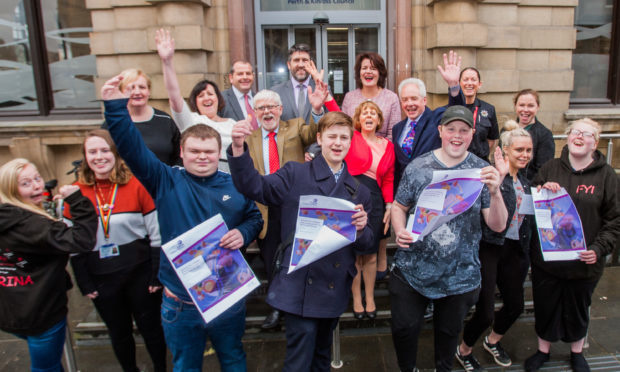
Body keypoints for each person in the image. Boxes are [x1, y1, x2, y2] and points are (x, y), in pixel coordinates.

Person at [100, 74, 263, 372]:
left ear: (219, 153)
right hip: (181, 301)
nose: (202, 157)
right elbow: (131, 146)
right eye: (195, 152)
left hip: (226, 295)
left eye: (208, 152)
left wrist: (243, 232)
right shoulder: (165, 179)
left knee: (234, 358)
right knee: (186, 366)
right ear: (181, 153)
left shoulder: (235, 184)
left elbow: (254, 217)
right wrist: (114, 108)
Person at [228, 111, 373, 372]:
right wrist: (239, 150)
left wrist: (361, 229)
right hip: (299, 284)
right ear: (319, 138)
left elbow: (367, 245)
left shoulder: (359, 190)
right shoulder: (295, 173)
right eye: (332, 137)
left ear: (351, 142)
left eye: (344, 137)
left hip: (334, 287)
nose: (338, 143)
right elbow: (255, 187)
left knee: (321, 358)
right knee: (298, 362)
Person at [390, 105, 508, 372]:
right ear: (440, 130)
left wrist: (496, 191)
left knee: (448, 335)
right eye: (451, 129)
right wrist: (399, 230)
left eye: (464, 131)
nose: (457, 136)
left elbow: (497, 225)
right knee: (404, 330)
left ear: (472, 133)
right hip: (413, 270)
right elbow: (399, 206)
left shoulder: (482, 171)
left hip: (459, 274)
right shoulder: (418, 166)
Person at [67, 129, 167, 372]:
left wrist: (157, 273)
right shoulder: (74, 192)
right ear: (85, 157)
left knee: (151, 328)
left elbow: (156, 233)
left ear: (115, 154)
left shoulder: (136, 186)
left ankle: (161, 368)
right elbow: (72, 242)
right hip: (101, 275)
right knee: (119, 331)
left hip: (140, 271)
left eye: (105, 150)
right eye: (92, 152)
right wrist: (84, 281)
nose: (99, 156)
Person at [524, 118, 620, 372]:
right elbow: (532, 201)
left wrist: (599, 249)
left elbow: (614, 220)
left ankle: (577, 352)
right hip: (549, 260)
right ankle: (542, 350)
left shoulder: (606, 175)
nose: (579, 137)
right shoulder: (550, 167)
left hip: (584, 261)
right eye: (575, 132)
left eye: (586, 134)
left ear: (595, 142)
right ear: (567, 137)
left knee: (579, 308)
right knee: (545, 305)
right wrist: (543, 188)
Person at [240, 87, 327, 329]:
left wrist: (317, 109)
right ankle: (277, 308)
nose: (267, 112)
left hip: (294, 205)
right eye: (261, 108)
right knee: (271, 260)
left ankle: (300, 303)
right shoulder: (250, 137)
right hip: (265, 208)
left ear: (280, 109)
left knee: (298, 256)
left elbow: (314, 133)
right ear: (255, 112)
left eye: (271, 107)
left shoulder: (296, 125)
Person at [0, 159, 97, 372]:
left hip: (11, 312)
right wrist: (77, 200)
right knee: (47, 367)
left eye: (37, 178)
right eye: (26, 183)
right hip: (41, 315)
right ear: (10, 190)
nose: (37, 185)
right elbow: (82, 240)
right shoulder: (33, 225)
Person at [456, 120, 534, 371]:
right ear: (506, 150)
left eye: (528, 150)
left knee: (515, 305)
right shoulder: (491, 174)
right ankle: (464, 350)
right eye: (519, 150)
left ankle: (492, 341)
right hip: (490, 249)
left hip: (516, 250)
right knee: (485, 312)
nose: (524, 155)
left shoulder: (526, 179)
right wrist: (498, 178)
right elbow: (480, 209)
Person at [386, 50, 464, 278]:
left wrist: (454, 86)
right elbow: (400, 168)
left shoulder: (436, 118)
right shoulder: (398, 129)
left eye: (414, 99)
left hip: (436, 197)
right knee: (414, 244)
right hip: (409, 200)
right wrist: (395, 200)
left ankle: (436, 289)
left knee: (437, 246)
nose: (409, 104)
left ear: (424, 100)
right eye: (405, 100)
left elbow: (456, 111)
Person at [155, 28, 237, 170]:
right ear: (195, 101)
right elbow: (174, 97)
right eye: (201, 95)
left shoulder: (232, 123)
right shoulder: (191, 121)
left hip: (231, 177)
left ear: (218, 98)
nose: (207, 98)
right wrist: (167, 62)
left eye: (210, 94)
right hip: (201, 172)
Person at [344, 101, 395, 319]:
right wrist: (325, 95)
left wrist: (390, 204)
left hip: (376, 200)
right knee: (356, 254)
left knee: (372, 253)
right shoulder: (351, 137)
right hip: (351, 197)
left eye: (373, 112)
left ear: (379, 120)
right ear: (358, 118)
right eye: (364, 112)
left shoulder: (388, 145)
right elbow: (334, 112)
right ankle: (356, 298)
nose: (369, 115)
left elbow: (389, 178)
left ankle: (371, 297)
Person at [102, 68, 181, 166]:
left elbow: (178, 156)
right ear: (121, 92)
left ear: (149, 91)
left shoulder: (165, 120)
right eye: (131, 88)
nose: (137, 92)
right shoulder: (113, 123)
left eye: (142, 87)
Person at [341, 52, 401, 141]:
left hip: (382, 152)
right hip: (353, 150)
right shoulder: (349, 97)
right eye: (364, 68)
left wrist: (377, 149)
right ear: (359, 73)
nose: (368, 71)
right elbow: (344, 129)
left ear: (380, 73)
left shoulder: (391, 98)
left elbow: (393, 134)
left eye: (373, 68)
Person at [271, 43, 324, 123]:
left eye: (305, 60)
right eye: (296, 60)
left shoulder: (322, 90)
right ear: (289, 65)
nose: (301, 65)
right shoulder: (276, 92)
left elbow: (330, 120)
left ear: (311, 63)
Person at [512, 89, 555, 181]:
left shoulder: (545, 135)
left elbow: (543, 169)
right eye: (521, 105)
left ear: (537, 107)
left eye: (530, 106)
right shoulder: (507, 130)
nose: (525, 110)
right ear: (515, 106)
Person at [459, 67, 499, 163]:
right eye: (465, 80)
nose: (469, 83)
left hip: (481, 164)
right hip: (456, 163)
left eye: (473, 80)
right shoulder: (450, 109)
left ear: (479, 84)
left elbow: (491, 140)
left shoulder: (489, 109)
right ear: (459, 83)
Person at [220, 60, 258, 128]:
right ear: (231, 78)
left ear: (253, 76)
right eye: (240, 74)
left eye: (248, 73)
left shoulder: (259, 98)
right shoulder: (221, 99)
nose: (245, 77)